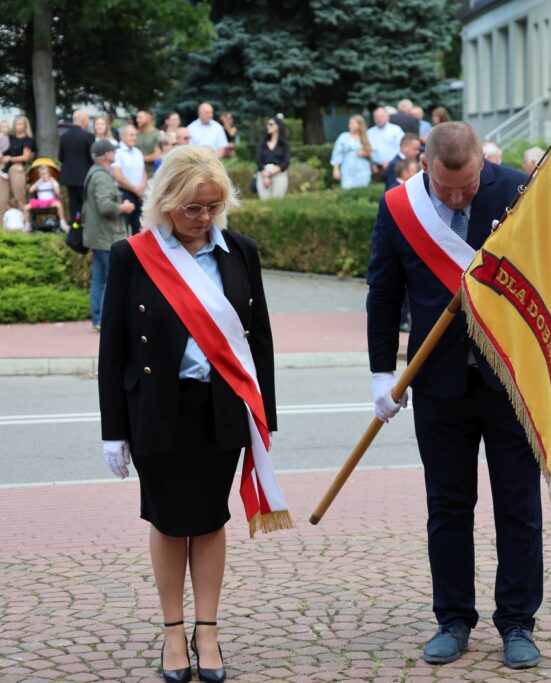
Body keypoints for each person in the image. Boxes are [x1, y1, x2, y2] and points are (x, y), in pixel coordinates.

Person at [98, 144, 282, 683]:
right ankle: (173, 631)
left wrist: (264, 419)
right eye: (193, 208)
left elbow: (261, 340)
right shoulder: (134, 255)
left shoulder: (240, 252)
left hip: (220, 408)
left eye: (212, 207)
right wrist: (114, 431)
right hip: (157, 407)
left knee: (209, 518)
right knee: (167, 518)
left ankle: (208, 629)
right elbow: (114, 349)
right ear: (167, 202)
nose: (203, 219)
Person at [365, 122, 543, 670]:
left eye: (469, 185)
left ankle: (517, 621)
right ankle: (453, 618)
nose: (460, 197)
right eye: (448, 190)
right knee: (447, 505)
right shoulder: (399, 208)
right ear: (425, 167)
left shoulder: (517, 189)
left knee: (518, 505)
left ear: (483, 166)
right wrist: (380, 373)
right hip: (438, 383)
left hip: (510, 380)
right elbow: (384, 292)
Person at [82, 139, 135, 331]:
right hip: (106, 236)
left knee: (98, 279)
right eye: (113, 151)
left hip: (97, 235)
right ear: (107, 155)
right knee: (109, 280)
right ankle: (104, 320)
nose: (115, 154)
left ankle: (97, 318)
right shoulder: (102, 176)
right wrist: (124, 207)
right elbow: (105, 206)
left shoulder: (93, 172)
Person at [58, 109, 95, 225]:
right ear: (83, 120)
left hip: (69, 177)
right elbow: (92, 158)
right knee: (85, 204)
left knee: (73, 204)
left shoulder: (64, 136)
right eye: (88, 119)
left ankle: (75, 226)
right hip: (84, 176)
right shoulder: (88, 137)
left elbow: (60, 157)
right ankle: (85, 225)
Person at [112, 125, 147, 236]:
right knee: (125, 226)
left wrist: (142, 187)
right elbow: (118, 175)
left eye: (135, 135)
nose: (134, 137)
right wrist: (134, 189)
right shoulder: (117, 152)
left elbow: (143, 172)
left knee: (139, 226)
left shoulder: (138, 152)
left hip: (139, 194)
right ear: (122, 136)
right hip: (124, 193)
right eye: (131, 135)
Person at [0, 115, 36, 211]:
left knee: (19, 196)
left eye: (20, 124)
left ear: (25, 126)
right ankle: (2, 221)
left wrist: (10, 159)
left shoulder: (28, 139)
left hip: (17, 167)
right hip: (3, 167)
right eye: (16, 124)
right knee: (2, 198)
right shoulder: (9, 138)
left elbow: (26, 157)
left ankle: (24, 219)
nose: (18, 126)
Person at [330, 115, 373, 189]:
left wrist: (365, 153)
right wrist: (336, 169)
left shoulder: (367, 137)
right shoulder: (343, 137)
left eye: (353, 123)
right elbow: (337, 154)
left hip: (362, 171)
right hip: (347, 170)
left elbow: (372, 154)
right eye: (349, 123)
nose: (350, 126)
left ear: (359, 125)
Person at [23, 162, 69, 230]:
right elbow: (31, 190)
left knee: (59, 205)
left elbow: (58, 192)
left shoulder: (53, 182)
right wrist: (38, 183)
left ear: (49, 174)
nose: (44, 176)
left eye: (45, 174)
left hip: (50, 201)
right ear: (39, 175)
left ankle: (62, 222)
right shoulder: (39, 182)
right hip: (40, 202)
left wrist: (53, 183)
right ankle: (27, 224)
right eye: (42, 174)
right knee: (26, 207)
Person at [255, 115, 291, 199]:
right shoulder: (263, 142)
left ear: (278, 126)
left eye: (271, 124)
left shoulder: (284, 144)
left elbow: (285, 162)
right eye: (267, 124)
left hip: (279, 174)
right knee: (264, 201)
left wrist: (270, 173)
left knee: (277, 201)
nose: (268, 126)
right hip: (263, 175)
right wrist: (266, 175)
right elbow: (258, 160)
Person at [366, 107, 404, 182]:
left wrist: (390, 161)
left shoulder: (396, 130)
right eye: (376, 117)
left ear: (388, 117)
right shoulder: (369, 132)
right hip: (376, 168)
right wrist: (372, 163)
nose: (379, 119)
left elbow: (401, 147)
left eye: (382, 116)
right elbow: (368, 149)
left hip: (393, 166)